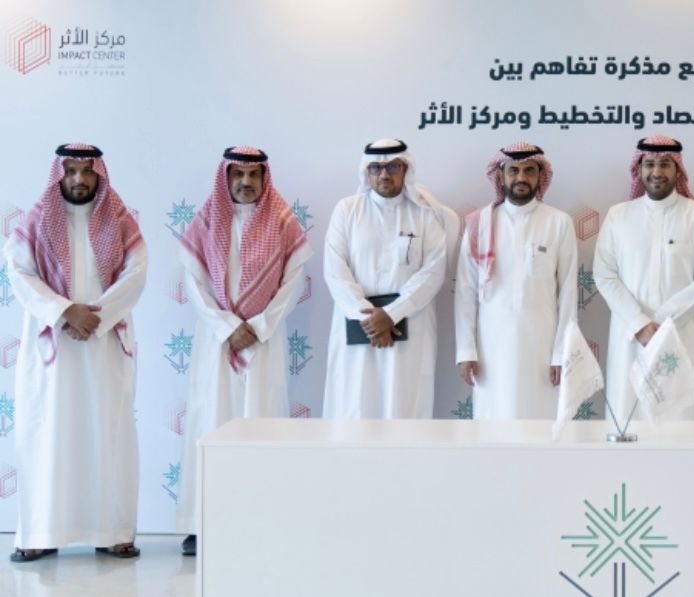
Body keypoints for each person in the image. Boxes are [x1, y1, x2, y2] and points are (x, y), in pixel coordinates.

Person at [6, 144, 147, 562]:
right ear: (59, 174)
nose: (79, 179)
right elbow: (20, 273)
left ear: (99, 174)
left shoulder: (120, 221)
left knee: (109, 433)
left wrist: (94, 319)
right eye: (70, 171)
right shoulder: (35, 221)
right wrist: (65, 311)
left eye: (87, 171)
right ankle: (40, 531)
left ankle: (113, 531)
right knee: (47, 433)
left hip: (104, 345)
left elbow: (136, 274)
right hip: (53, 348)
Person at [176, 146, 312, 556]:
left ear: (264, 178)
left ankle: (262, 519)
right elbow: (195, 283)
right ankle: (202, 524)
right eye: (238, 174)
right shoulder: (206, 222)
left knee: (262, 423)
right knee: (211, 422)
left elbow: (292, 284)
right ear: (226, 178)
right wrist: (227, 327)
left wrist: (259, 327)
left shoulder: (283, 223)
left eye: (254, 175)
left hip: (263, 342)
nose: (246, 182)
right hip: (217, 341)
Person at [322, 139, 455, 419]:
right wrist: (370, 319)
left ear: (406, 169)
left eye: (393, 167)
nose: (384, 175)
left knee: (404, 408)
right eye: (375, 168)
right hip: (357, 326)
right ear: (366, 172)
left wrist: (391, 314)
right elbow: (335, 270)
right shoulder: (347, 210)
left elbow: (433, 271)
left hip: (410, 326)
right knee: (354, 406)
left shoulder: (424, 214)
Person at [593, 136, 694, 422]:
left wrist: (661, 325)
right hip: (632, 335)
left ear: (678, 170)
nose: (657, 172)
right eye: (649, 164)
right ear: (639, 169)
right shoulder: (618, 216)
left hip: (682, 334)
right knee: (629, 417)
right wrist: (640, 323)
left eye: (665, 164)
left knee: (683, 419)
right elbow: (604, 274)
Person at [455, 142, 577, 419]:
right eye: (513, 170)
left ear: (540, 175)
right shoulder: (479, 224)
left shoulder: (559, 222)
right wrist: (466, 351)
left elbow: (568, 294)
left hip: (542, 348)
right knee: (493, 422)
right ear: (501, 176)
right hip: (490, 349)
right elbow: (464, 293)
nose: (521, 177)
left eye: (529, 170)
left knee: (540, 422)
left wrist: (561, 353)